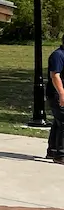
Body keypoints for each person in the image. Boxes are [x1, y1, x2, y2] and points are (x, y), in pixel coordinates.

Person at [49, 35, 64, 163]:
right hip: (57, 94)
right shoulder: (58, 55)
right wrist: (61, 93)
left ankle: (52, 150)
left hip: (59, 94)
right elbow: (55, 75)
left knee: (58, 122)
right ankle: (61, 155)